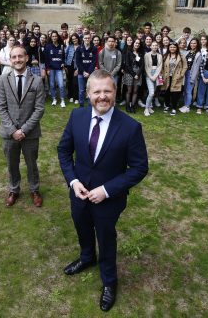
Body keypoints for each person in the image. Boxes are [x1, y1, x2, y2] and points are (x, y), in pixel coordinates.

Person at [57, 69, 148, 312]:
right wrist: (73, 182)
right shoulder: (76, 116)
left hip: (108, 200)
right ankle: (87, 258)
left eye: (107, 91)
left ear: (115, 92)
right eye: (96, 91)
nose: (102, 96)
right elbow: (64, 151)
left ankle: (109, 281)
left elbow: (139, 168)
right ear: (88, 94)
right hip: (79, 193)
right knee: (82, 227)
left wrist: (107, 190)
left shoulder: (130, 127)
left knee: (106, 238)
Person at [0, 45, 46, 208]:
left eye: (20, 56)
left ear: (26, 58)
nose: (17, 60)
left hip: (30, 133)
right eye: (14, 57)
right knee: (12, 164)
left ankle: (34, 189)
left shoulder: (37, 80)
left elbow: (39, 109)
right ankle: (14, 189)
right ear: (10, 60)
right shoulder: (3, 79)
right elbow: (1, 107)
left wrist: (23, 130)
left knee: (32, 164)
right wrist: (13, 130)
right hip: (9, 133)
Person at [161, 42, 187, 115]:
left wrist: (181, 75)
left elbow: (185, 66)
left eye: (174, 47)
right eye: (171, 47)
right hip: (167, 77)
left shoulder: (181, 56)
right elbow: (162, 66)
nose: (172, 48)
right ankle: (166, 105)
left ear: (177, 48)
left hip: (176, 77)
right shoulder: (165, 56)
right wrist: (162, 75)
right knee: (167, 92)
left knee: (175, 93)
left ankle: (174, 108)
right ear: (169, 48)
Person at [44, 30, 67, 107]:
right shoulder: (48, 46)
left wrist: (63, 62)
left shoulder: (61, 46)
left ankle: (62, 100)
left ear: (58, 37)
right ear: (51, 37)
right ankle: (54, 99)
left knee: (61, 85)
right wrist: (47, 69)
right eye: (53, 36)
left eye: (55, 36)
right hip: (51, 69)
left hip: (59, 69)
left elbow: (63, 57)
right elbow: (46, 59)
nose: (54, 37)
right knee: (52, 85)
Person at [76, 33, 98, 107]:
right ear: (83, 39)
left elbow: (94, 62)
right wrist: (83, 72)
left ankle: (90, 105)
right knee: (81, 90)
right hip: (81, 73)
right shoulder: (79, 48)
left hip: (90, 73)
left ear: (90, 39)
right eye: (85, 38)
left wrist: (88, 72)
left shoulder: (94, 48)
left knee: (90, 90)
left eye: (88, 38)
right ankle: (81, 105)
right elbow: (78, 62)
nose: (87, 39)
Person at [179, 38, 201, 113]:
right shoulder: (187, 52)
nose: (192, 45)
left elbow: (197, 68)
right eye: (191, 43)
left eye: (194, 43)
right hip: (185, 73)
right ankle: (185, 104)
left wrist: (193, 78)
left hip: (191, 74)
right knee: (185, 90)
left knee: (189, 91)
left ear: (197, 44)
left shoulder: (198, 54)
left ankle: (187, 106)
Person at [122, 39, 143, 113]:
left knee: (135, 91)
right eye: (136, 43)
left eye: (138, 43)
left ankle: (133, 106)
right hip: (129, 73)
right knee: (129, 91)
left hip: (138, 74)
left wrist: (138, 74)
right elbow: (127, 65)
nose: (137, 44)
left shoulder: (140, 53)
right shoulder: (128, 52)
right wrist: (134, 75)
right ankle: (127, 105)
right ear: (133, 43)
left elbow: (142, 66)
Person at [143, 41, 162, 117]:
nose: (154, 47)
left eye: (156, 45)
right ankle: (146, 109)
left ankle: (149, 107)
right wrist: (151, 76)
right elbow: (146, 67)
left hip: (156, 74)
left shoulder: (160, 56)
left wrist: (155, 76)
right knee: (151, 93)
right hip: (149, 74)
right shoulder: (146, 55)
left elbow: (159, 66)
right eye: (153, 45)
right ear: (150, 46)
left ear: (157, 47)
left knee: (153, 93)